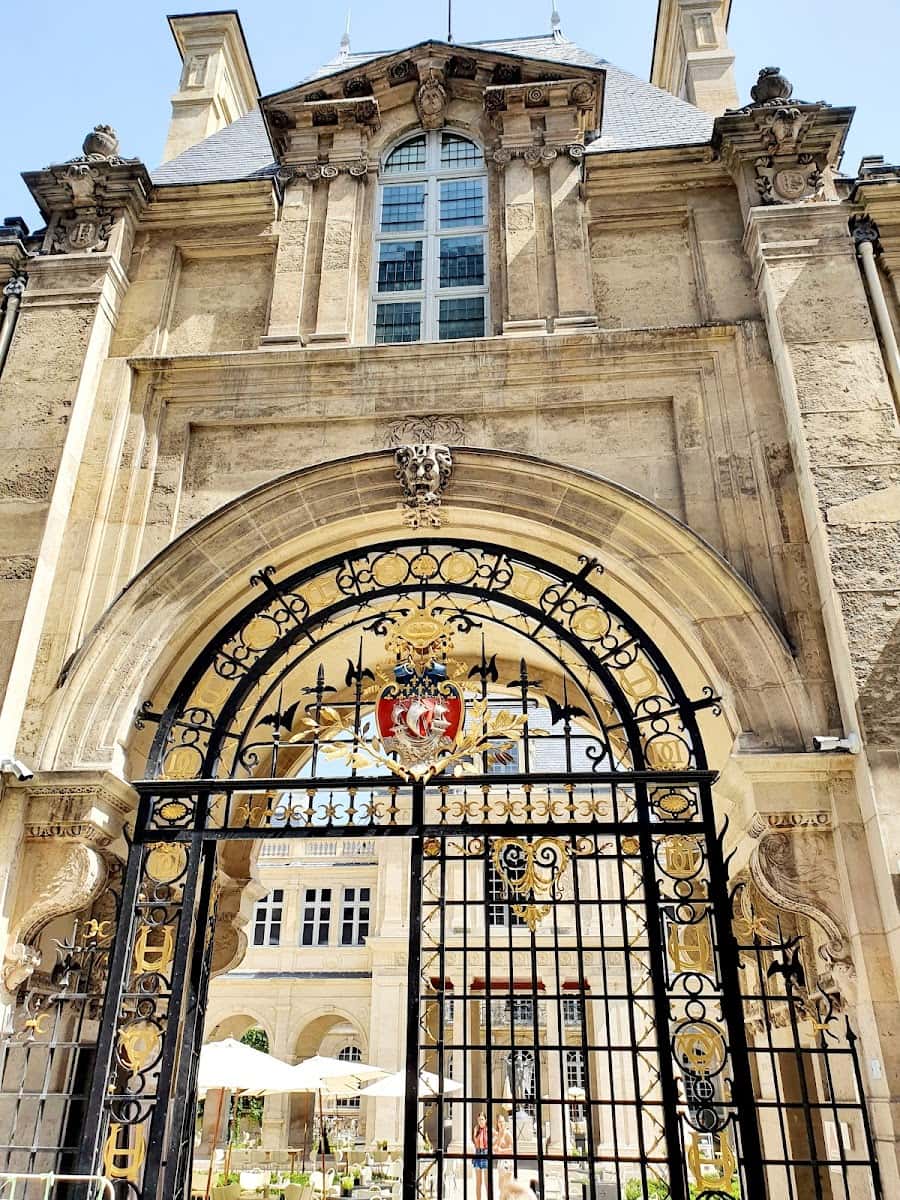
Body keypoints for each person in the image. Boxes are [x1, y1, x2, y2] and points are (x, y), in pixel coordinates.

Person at [472, 1112, 489, 1200]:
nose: (480, 1121)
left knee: (486, 1181)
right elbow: (476, 1143)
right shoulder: (476, 1129)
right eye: (479, 1120)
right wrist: (476, 1133)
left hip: (486, 1153)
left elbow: (497, 1137)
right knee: (478, 1182)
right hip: (478, 1153)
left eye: (482, 1119)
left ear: (485, 1120)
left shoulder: (488, 1130)